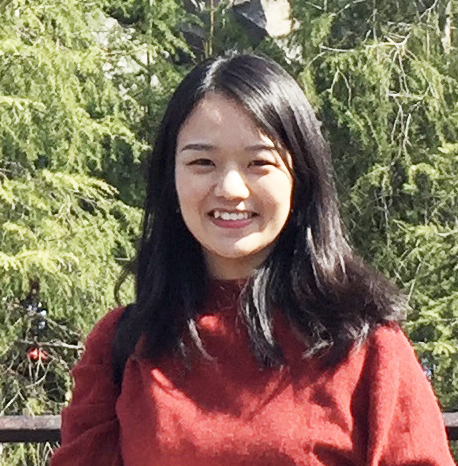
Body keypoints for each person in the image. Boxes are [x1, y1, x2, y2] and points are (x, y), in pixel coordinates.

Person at [50, 53, 455, 466]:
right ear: (170, 178)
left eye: (259, 162)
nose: (230, 188)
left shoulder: (364, 345)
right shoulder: (123, 344)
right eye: (202, 162)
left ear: (300, 178)